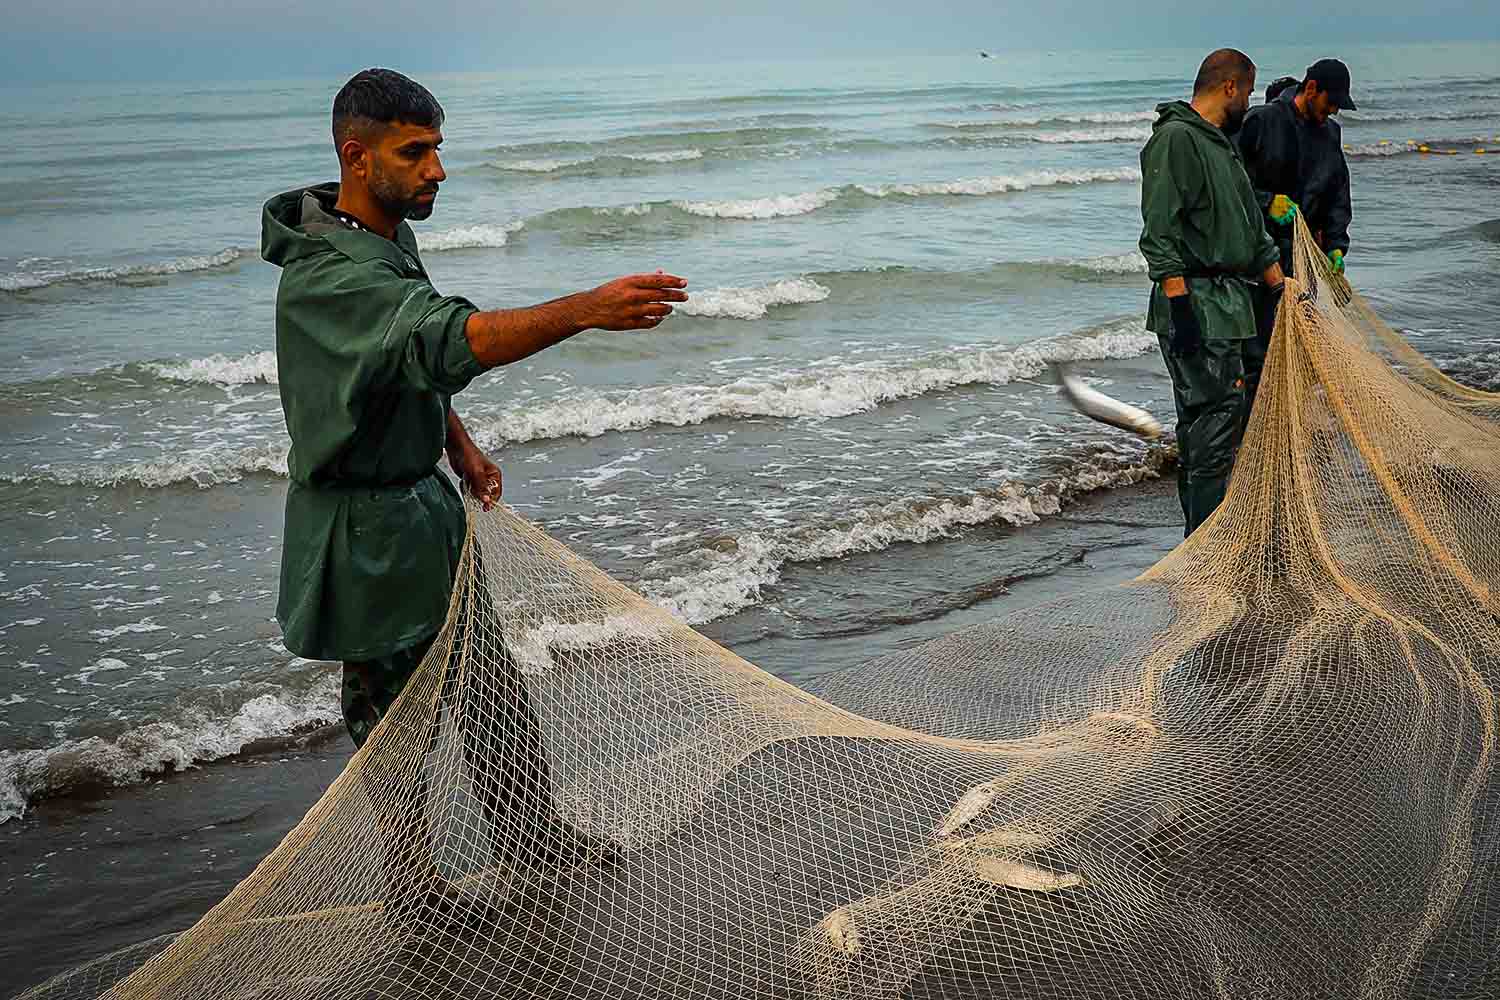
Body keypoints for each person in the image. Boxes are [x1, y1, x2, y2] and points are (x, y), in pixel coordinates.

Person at [260, 68, 688, 921]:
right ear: (356, 154)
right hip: (366, 526)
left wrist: (460, 445)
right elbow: (446, 335)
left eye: (437, 150)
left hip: (423, 505)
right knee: (393, 717)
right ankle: (413, 887)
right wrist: (582, 309)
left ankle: (534, 839)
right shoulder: (331, 275)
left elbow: (404, 362)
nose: (436, 172)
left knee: (490, 686)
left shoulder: (380, 236)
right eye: (414, 153)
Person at [1139, 49, 1286, 537]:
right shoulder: (1176, 140)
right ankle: (1204, 548)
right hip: (1199, 307)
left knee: (1225, 425)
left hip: (1232, 306)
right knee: (1210, 428)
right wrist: (1180, 307)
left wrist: (1281, 289)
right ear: (1230, 87)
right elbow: (1160, 233)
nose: (1248, 101)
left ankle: (1210, 542)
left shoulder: (1221, 144)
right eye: (1247, 90)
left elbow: (1250, 228)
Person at [1238, 59, 1357, 279]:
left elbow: (1338, 194)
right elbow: (1229, 181)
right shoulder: (1262, 120)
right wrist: (1267, 202)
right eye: (1330, 101)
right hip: (1259, 260)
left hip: (1305, 259)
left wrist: (1336, 245)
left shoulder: (1331, 133)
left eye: (1338, 105)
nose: (1333, 110)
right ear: (1311, 88)